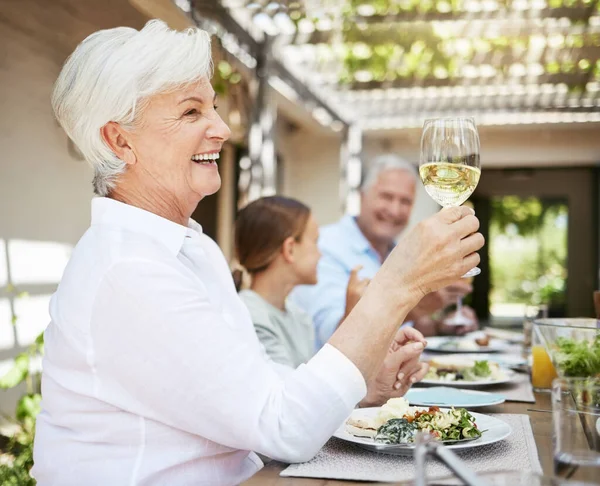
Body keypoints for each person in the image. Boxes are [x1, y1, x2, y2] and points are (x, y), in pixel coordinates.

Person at [31, 20, 483, 486]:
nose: (222, 129)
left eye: (213, 108)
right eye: (191, 113)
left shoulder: (191, 247)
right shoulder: (127, 270)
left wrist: (362, 385)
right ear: (119, 141)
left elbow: (260, 391)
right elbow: (285, 428)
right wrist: (400, 282)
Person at [234, 196, 428, 406]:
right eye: (316, 242)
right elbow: (294, 404)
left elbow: (318, 382)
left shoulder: (296, 315)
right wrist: (355, 317)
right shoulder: (251, 318)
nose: (320, 254)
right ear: (290, 249)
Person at [292, 154, 479, 348]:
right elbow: (333, 338)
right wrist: (414, 307)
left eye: (405, 201)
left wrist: (440, 326)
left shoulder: (397, 252)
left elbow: (398, 331)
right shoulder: (324, 246)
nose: (395, 210)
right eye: (386, 197)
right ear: (362, 196)